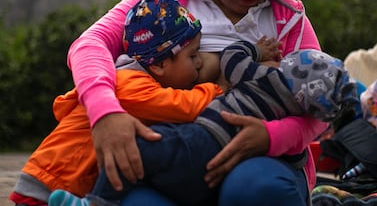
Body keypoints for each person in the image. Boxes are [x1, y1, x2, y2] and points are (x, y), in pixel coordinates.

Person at [63, 0, 328, 205]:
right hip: (169, 156)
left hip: (262, 161)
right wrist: (105, 113)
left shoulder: (288, 18)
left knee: (256, 190)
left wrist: (272, 137)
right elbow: (90, 44)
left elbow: (322, 100)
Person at [48, 41, 358, 206]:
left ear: (292, 71)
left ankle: (95, 203)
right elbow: (298, 152)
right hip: (209, 157)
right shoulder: (295, 105)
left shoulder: (269, 78)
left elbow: (233, 60)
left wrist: (257, 50)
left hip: (203, 141)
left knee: (142, 145)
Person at [9, 0, 233, 205]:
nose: (199, 62)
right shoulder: (131, 86)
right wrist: (220, 88)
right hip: (49, 186)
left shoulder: (131, 81)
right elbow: (186, 107)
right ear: (160, 64)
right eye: (192, 55)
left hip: (61, 183)